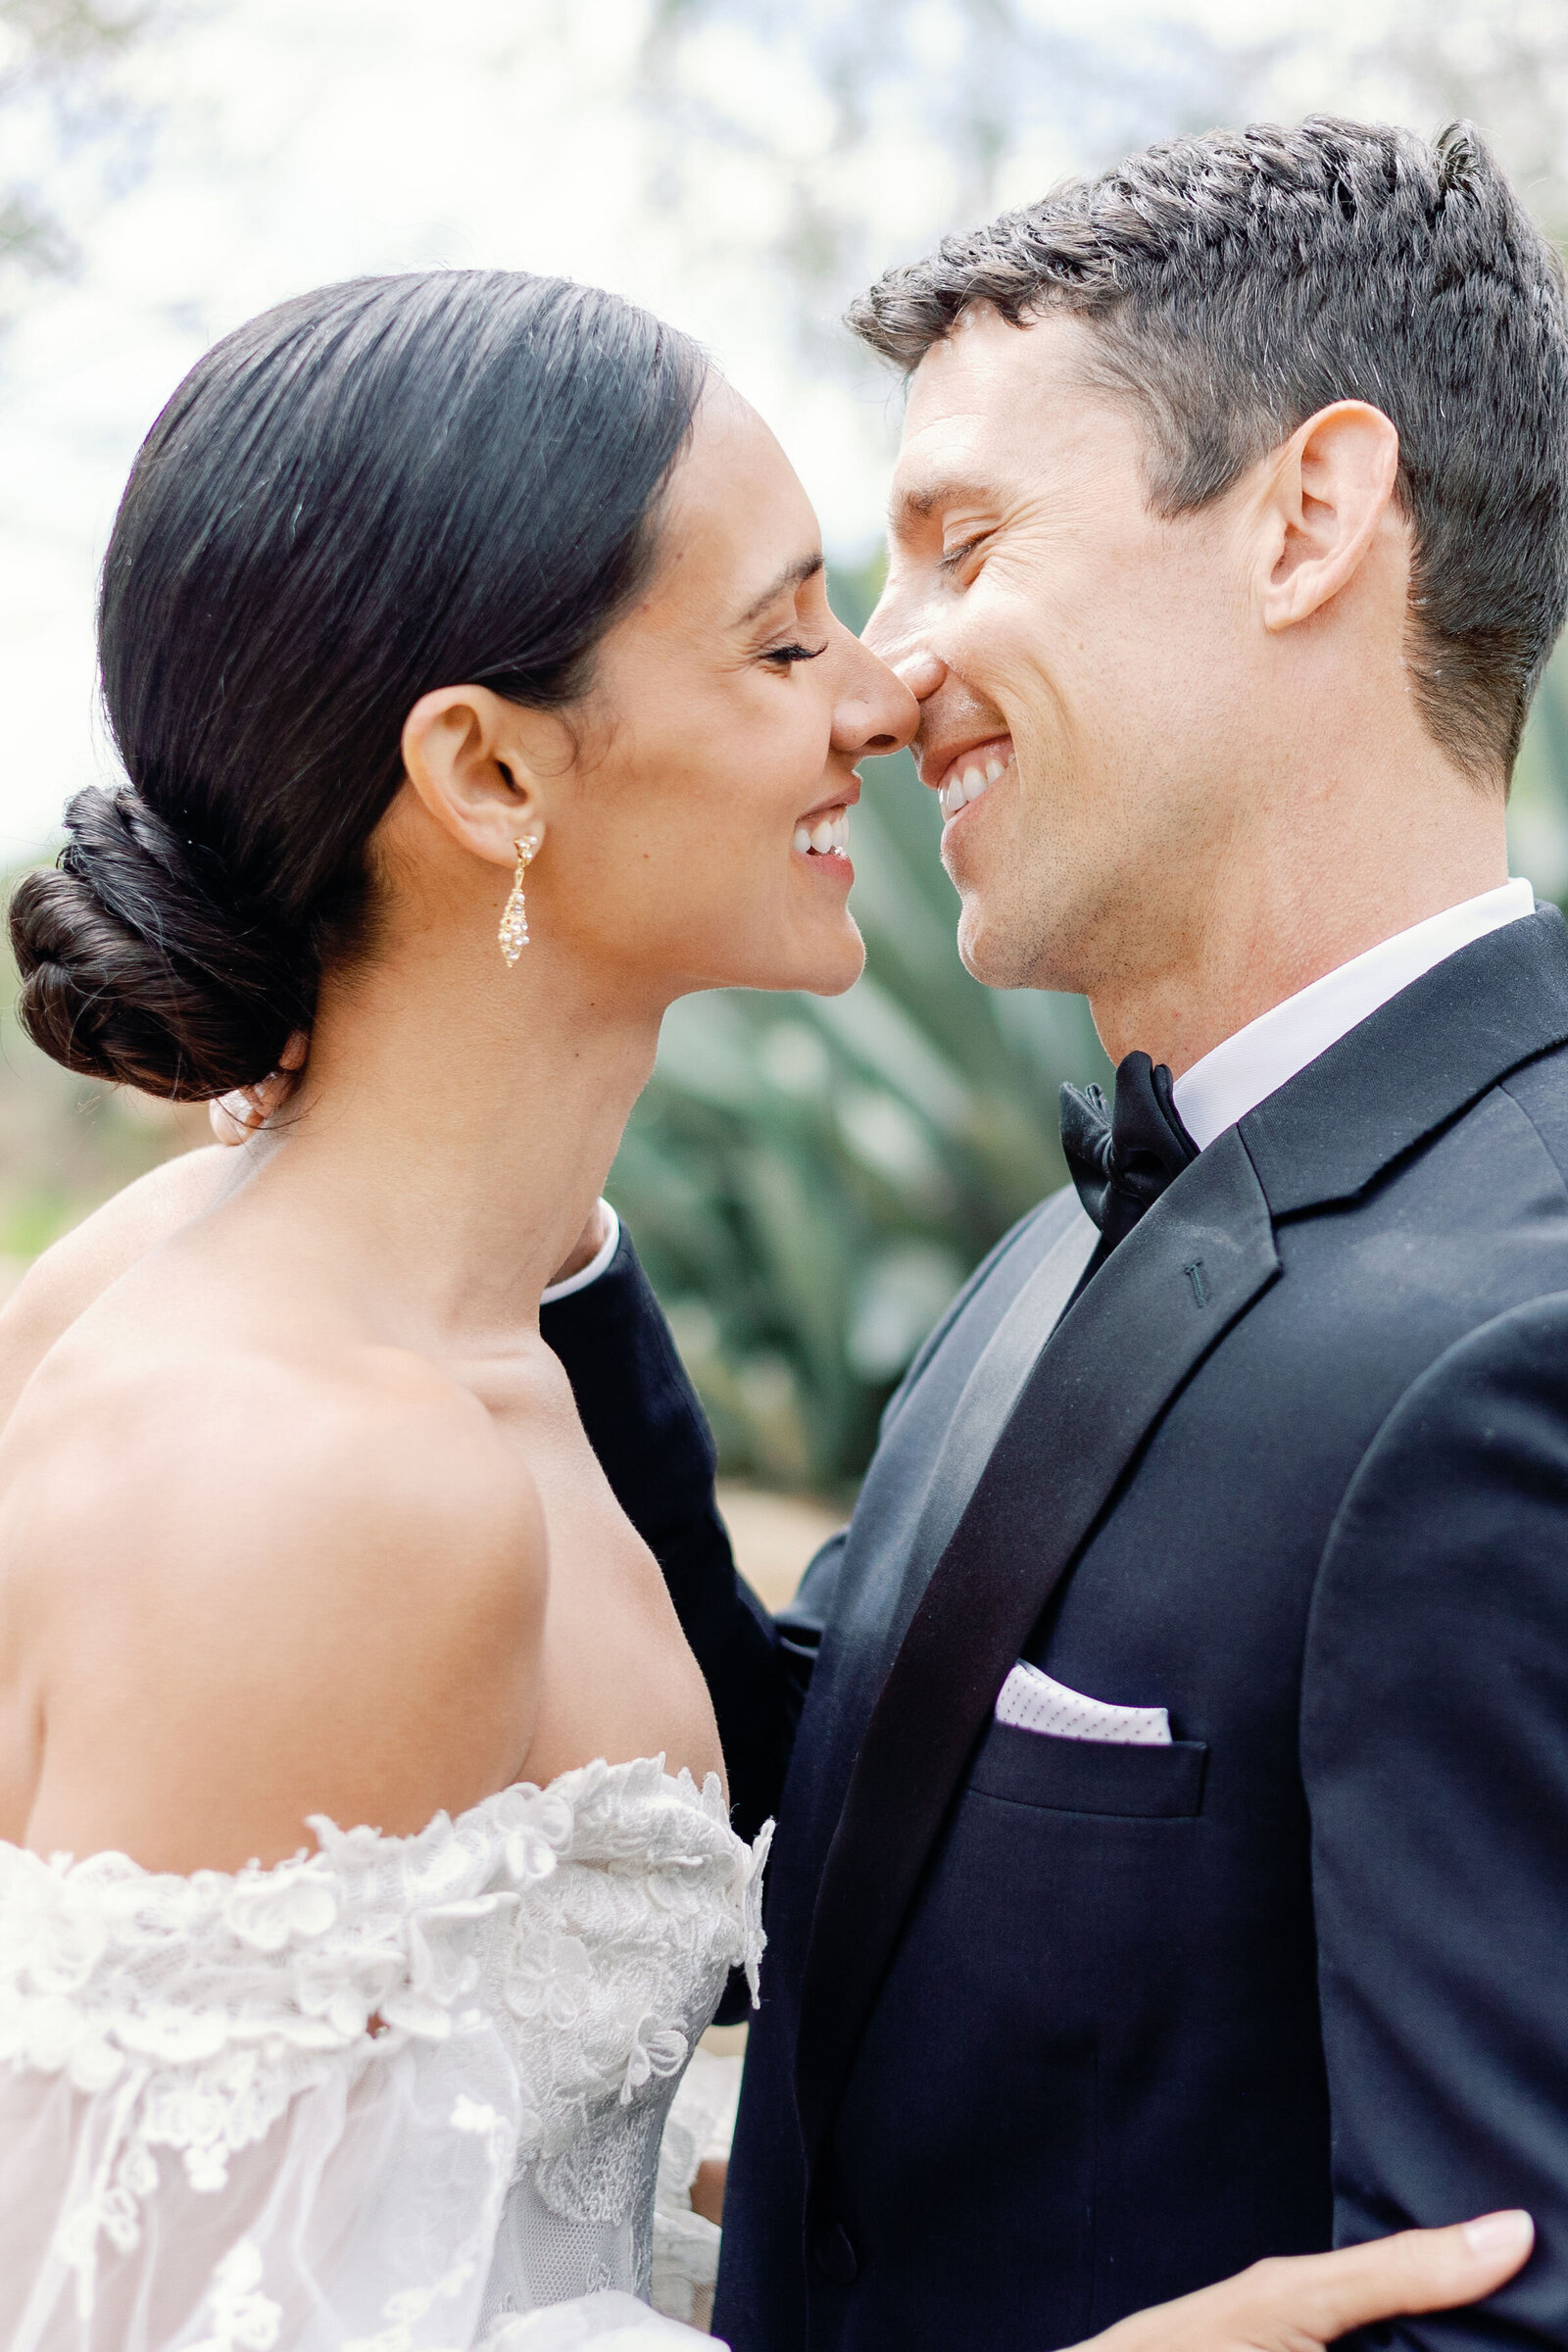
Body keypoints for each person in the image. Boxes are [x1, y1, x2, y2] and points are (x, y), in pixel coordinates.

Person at [0, 264, 1514, 2351]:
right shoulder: (312, 1469)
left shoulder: (396, 1333)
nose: (878, 693)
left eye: (938, 563)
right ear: (495, 777)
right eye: (787, 634)